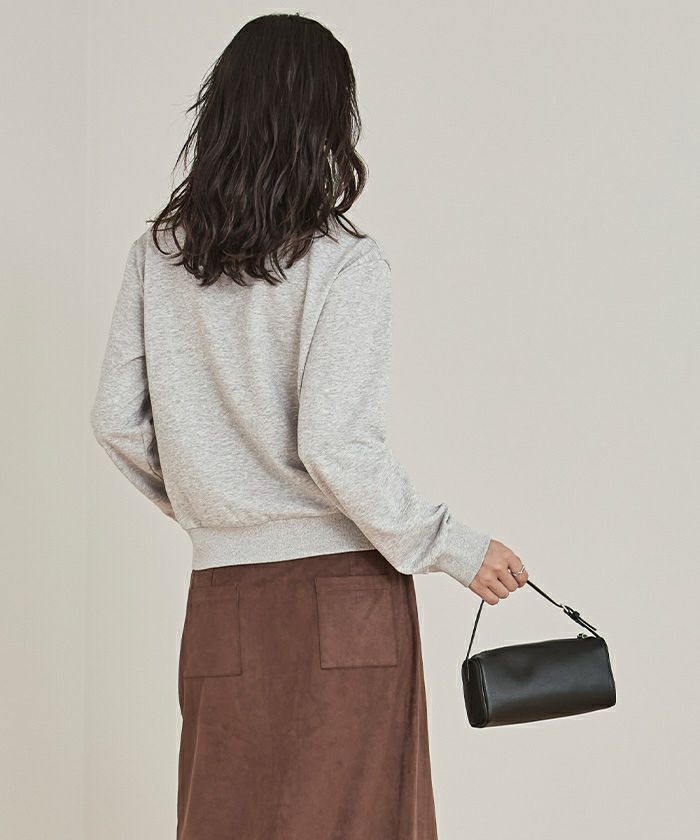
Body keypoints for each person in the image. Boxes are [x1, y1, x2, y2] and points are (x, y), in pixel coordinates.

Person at [90, 12, 528, 839]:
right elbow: (333, 444)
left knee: (225, 822)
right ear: (326, 120)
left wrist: (217, 506)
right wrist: (456, 547)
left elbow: (116, 421)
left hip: (223, 598)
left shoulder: (159, 256)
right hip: (344, 597)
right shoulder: (343, 263)